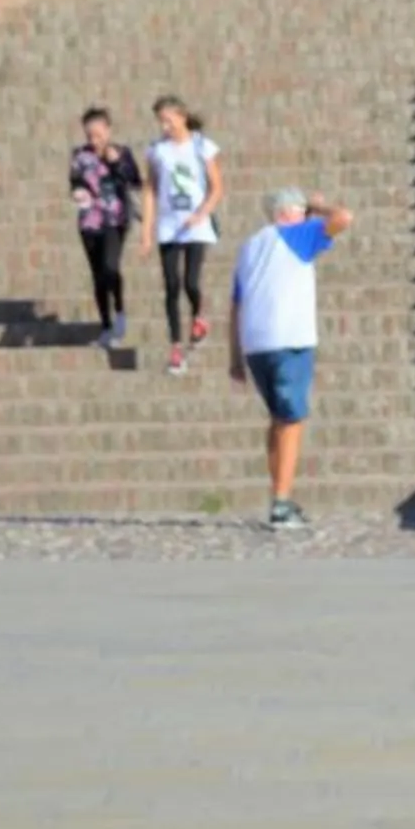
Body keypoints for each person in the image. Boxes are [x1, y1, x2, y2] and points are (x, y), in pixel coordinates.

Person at [229, 187, 353, 533]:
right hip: (290, 339)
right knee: (291, 419)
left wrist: (235, 357)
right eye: (301, 210)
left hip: (256, 344)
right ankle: (281, 504)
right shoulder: (297, 234)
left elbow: (235, 304)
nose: (308, 216)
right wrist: (320, 205)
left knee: (278, 419)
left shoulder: (250, 247)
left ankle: (279, 494)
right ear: (288, 213)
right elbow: (343, 218)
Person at [146, 96, 225, 374]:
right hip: (169, 224)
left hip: (196, 225)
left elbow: (217, 187)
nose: (165, 126)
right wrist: (147, 230)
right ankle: (176, 348)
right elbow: (151, 189)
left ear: (182, 116)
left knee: (191, 281)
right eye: (161, 121)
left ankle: (199, 315)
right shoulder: (157, 150)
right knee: (171, 285)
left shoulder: (202, 145)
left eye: (169, 120)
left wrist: (201, 213)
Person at [68, 107, 144, 348]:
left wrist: (117, 163)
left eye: (98, 134)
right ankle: (106, 326)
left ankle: (120, 312)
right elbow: (75, 181)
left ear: (108, 130)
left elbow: (135, 181)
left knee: (111, 266)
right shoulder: (79, 155)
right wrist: (78, 192)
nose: (94, 140)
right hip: (89, 220)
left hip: (116, 218)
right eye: (90, 135)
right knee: (98, 275)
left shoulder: (122, 152)